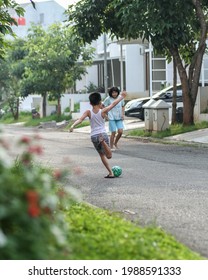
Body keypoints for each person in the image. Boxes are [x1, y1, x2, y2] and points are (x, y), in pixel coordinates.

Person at [69, 90, 127, 178]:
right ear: (100, 102)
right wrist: (122, 97)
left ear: (90, 103)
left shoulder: (88, 112)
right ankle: (103, 142)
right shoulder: (103, 111)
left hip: (94, 136)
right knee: (109, 156)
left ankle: (111, 173)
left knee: (102, 155)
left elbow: (80, 120)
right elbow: (113, 104)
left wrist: (73, 125)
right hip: (102, 134)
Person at [103, 86, 125, 151]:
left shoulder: (120, 98)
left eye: (115, 92)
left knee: (120, 131)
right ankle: (111, 146)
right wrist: (106, 115)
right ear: (111, 93)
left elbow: (123, 106)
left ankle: (115, 143)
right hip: (111, 117)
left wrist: (123, 114)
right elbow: (103, 107)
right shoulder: (108, 99)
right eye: (113, 93)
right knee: (113, 132)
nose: (114, 94)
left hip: (119, 117)